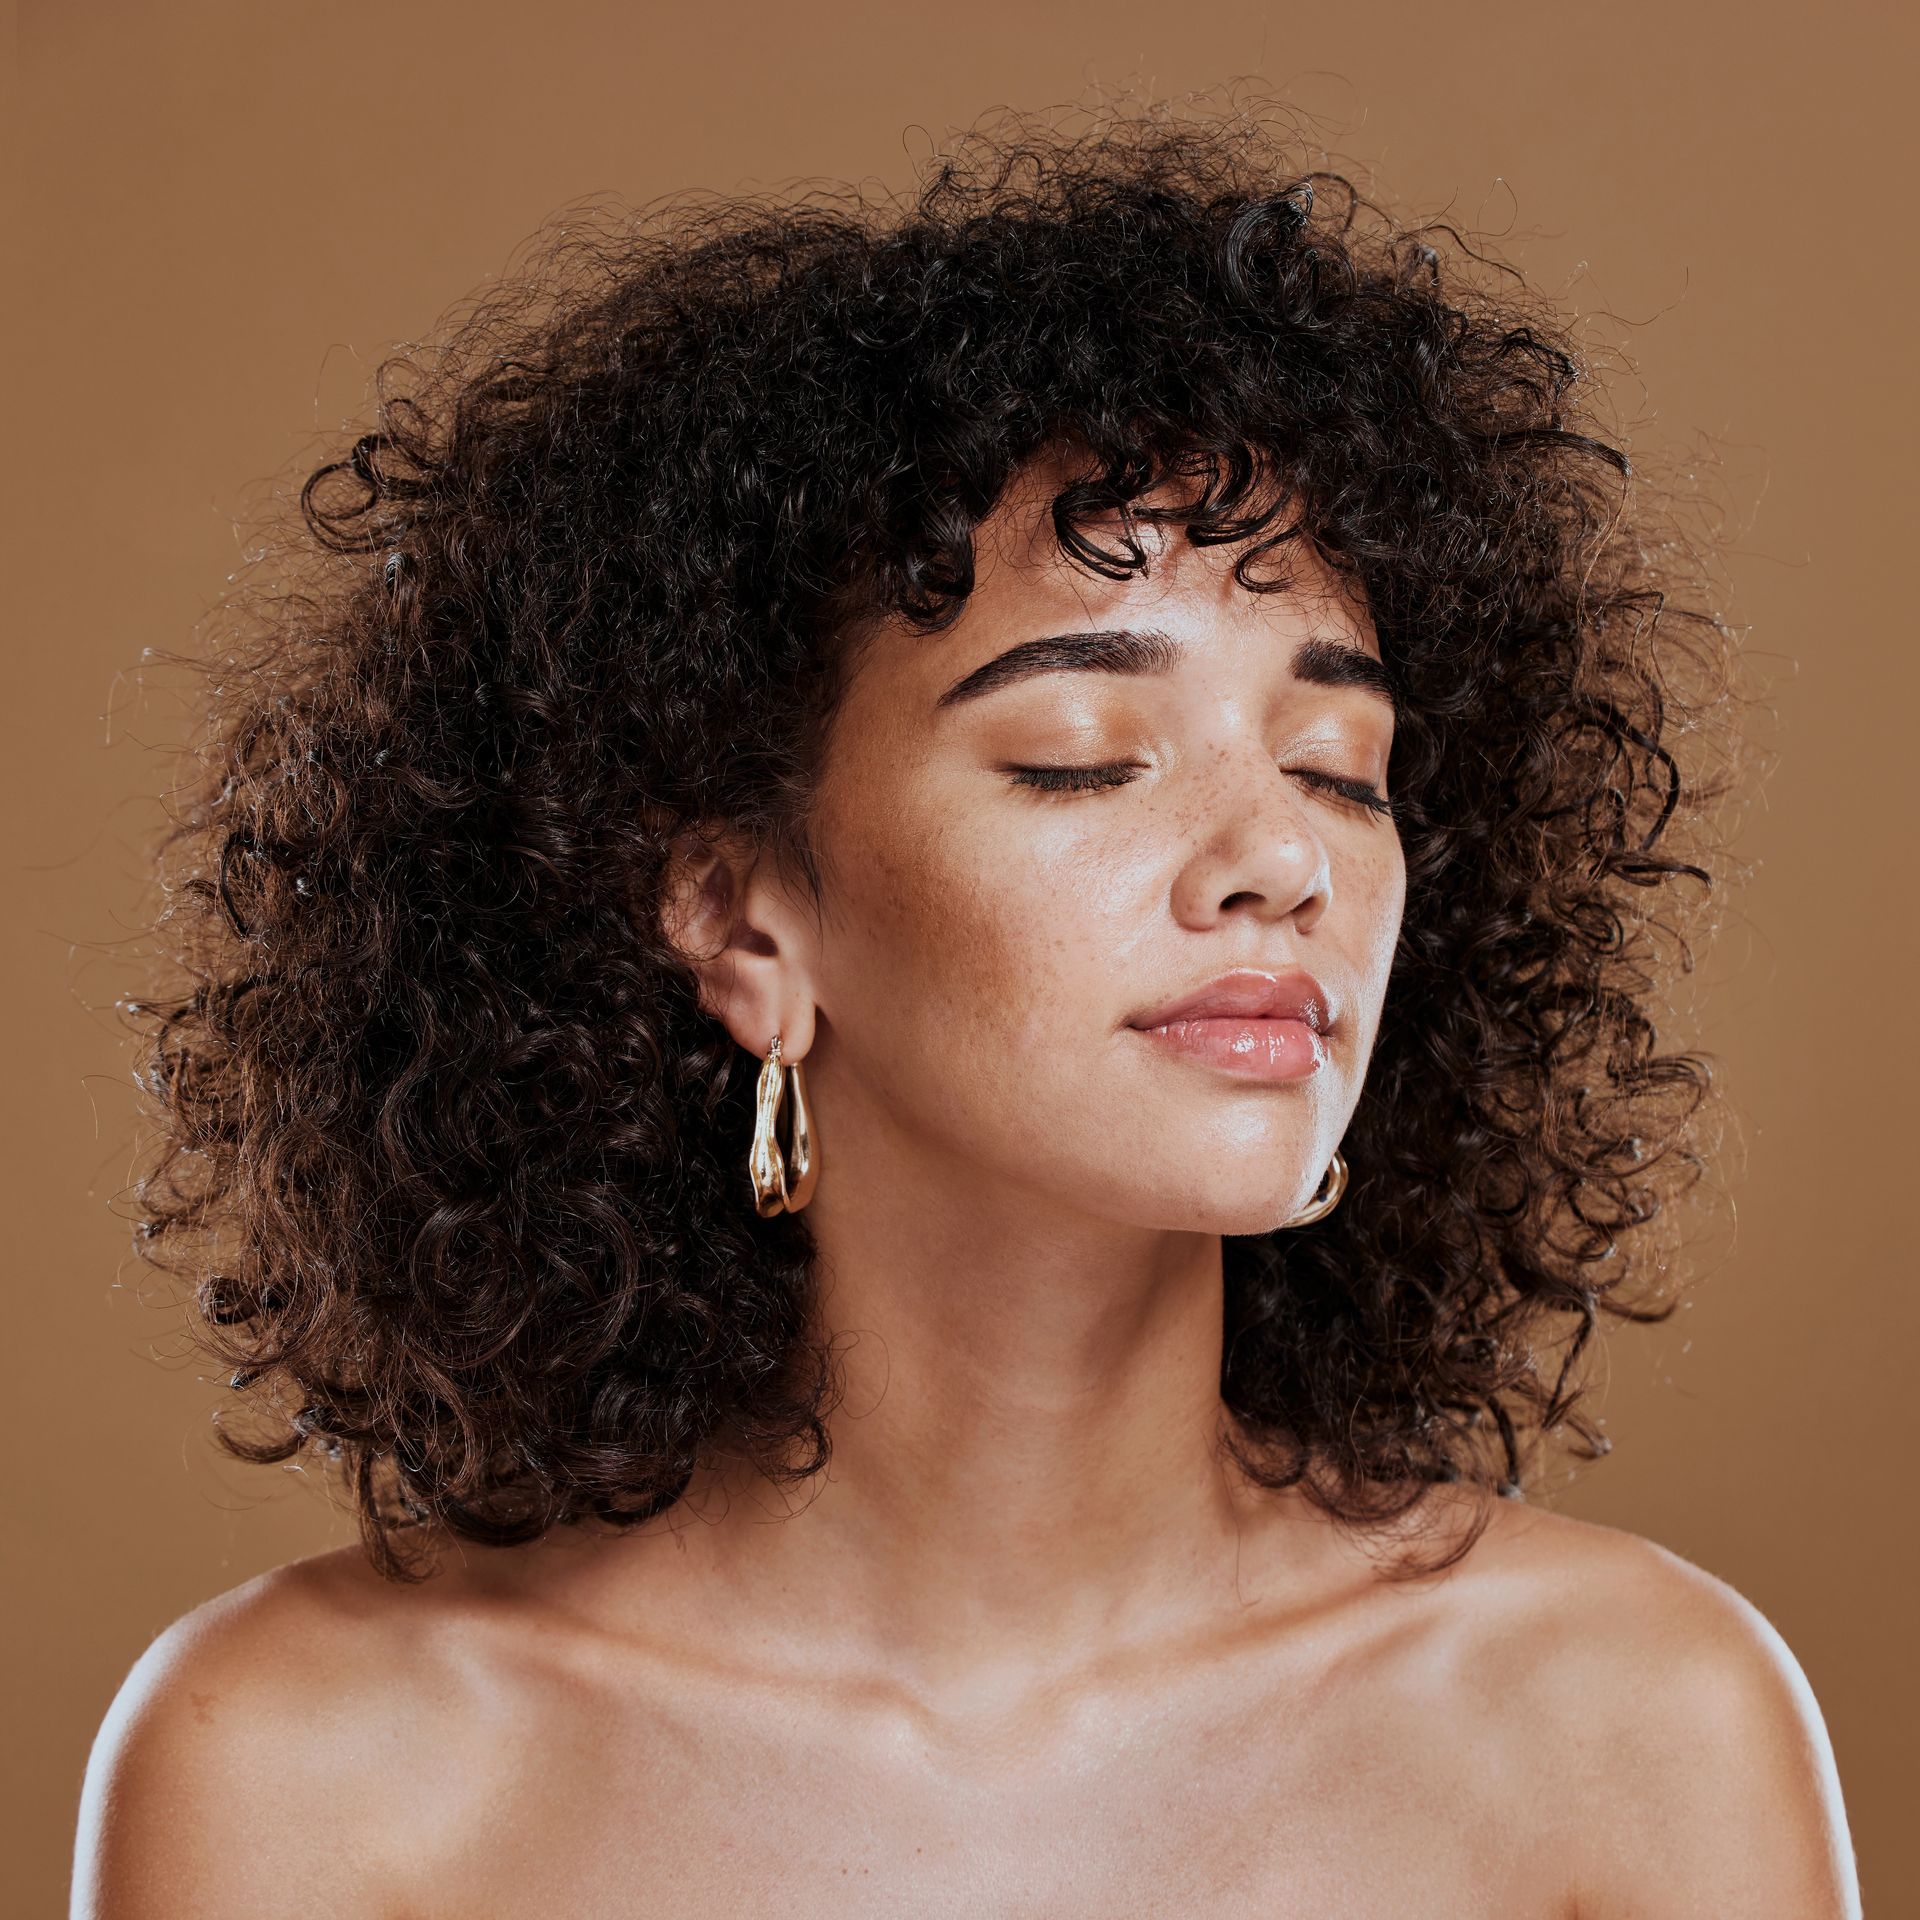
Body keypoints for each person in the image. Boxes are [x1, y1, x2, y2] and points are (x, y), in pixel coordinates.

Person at [72, 98, 1859, 1916]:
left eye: (1340, 763)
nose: (1278, 862)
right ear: (742, 922)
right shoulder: (312, 1771)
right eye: (1085, 755)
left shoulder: (1632, 1729)